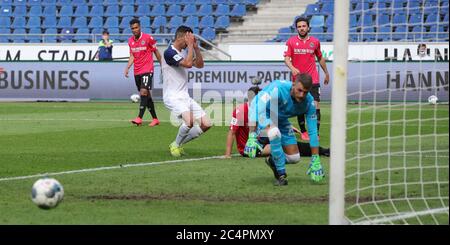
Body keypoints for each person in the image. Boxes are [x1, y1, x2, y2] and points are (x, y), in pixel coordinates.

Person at [245, 74, 324, 186]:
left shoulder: (309, 103)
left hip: (280, 118)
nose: (302, 95)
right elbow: (258, 108)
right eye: (299, 90)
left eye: (305, 92)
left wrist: (316, 159)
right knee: (274, 133)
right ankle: (281, 175)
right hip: (262, 112)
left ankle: (273, 160)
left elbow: (313, 131)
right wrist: (252, 135)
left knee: (294, 158)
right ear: (293, 85)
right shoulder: (278, 88)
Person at [224, 86, 330, 158]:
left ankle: (322, 150)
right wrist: (228, 155)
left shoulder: (263, 108)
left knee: (292, 144)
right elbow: (231, 132)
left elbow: (271, 122)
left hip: (263, 139)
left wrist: (289, 127)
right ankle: (320, 151)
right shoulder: (240, 111)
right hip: (249, 148)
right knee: (283, 147)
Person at [161, 25, 211, 157]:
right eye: (189, 38)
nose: (190, 40)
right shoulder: (169, 53)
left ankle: (177, 144)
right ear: (182, 37)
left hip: (185, 96)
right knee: (189, 121)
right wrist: (189, 47)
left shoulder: (184, 52)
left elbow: (200, 65)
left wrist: (195, 48)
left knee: (206, 124)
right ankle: (175, 145)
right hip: (172, 96)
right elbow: (188, 64)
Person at [284, 16, 330, 141]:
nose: (302, 28)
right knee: (299, 105)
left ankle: (315, 133)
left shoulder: (315, 42)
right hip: (298, 80)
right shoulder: (291, 42)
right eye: (299, 26)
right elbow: (286, 58)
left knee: (315, 106)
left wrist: (326, 73)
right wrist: (292, 67)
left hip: (312, 80)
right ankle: (304, 132)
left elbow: (320, 58)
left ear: (308, 27)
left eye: (304, 26)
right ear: (296, 28)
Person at [124, 18, 161, 127]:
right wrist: (127, 67)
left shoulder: (148, 38)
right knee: (147, 96)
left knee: (143, 92)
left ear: (140, 27)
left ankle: (139, 117)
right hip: (137, 71)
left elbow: (156, 52)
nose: (134, 30)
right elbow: (132, 56)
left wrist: (163, 65)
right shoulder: (130, 41)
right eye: (132, 28)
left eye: (136, 27)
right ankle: (155, 119)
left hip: (147, 69)